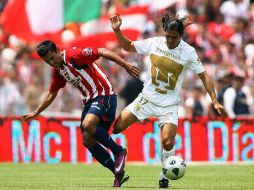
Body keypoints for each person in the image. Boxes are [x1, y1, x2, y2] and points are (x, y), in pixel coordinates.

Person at [110, 13, 228, 188]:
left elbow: (204, 76)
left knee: (168, 141)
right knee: (117, 128)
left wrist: (215, 100)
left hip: (169, 105)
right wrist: (118, 30)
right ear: (164, 31)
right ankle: (120, 156)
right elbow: (127, 46)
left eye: (174, 38)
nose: (170, 40)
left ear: (181, 36)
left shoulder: (188, 52)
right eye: (168, 36)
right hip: (146, 99)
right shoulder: (154, 42)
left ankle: (163, 175)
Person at [22, 40, 140, 187]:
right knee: (87, 140)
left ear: (57, 50)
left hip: (104, 94)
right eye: (47, 61)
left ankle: (118, 151)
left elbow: (102, 50)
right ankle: (118, 174)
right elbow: (52, 93)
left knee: (88, 124)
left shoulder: (74, 55)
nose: (51, 63)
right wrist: (36, 112)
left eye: (52, 58)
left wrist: (125, 65)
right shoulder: (58, 71)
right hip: (89, 102)